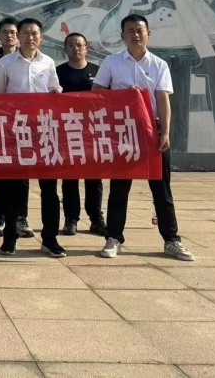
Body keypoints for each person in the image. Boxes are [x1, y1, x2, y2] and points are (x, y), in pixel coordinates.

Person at [93, 14, 194, 261]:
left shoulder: (159, 64)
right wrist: (123, 96)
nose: (135, 35)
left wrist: (166, 132)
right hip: (123, 129)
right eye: (130, 31)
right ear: (122, 36)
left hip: (152, 130)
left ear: (148, 34)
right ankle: (114, 237)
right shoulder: (112, 62)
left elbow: (163, 99)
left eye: (139, 30)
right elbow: (97, 92)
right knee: (120, 187)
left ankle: (172, 240)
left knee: (161, 187)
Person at [0, 18, 65, 257]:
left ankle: (50, 239)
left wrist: (56, 94)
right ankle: (10, 237)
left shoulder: (48, 62)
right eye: (25, 33)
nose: (30, 38)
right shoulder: (5, 63)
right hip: (17, 131)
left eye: (34, 33)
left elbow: (54, 90)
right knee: (14, 187)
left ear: (41, 37)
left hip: (44, 131)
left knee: (49, 189)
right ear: (18, 37)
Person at [0, 17, 33, 239]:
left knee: (23, 172)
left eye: (13, 32)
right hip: (0, 121)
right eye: (5, 32)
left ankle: (21, 217)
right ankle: (0, 214)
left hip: (26, 123)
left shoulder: (29, 58)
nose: (9, 35)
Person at [56, 33, 106, 236]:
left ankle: (96, 218)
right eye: (71, 45)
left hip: (93, 130)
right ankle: (71, 219)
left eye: (79, 45)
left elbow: (108, 98)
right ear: (65, 49)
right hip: (68, 130)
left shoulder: (99, 71)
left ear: (87, 48)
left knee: (94, 177)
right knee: (69, 177)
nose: (76, 48)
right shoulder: (58, 72)